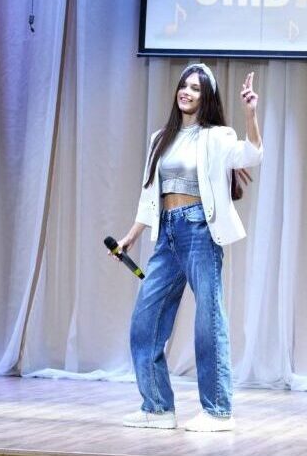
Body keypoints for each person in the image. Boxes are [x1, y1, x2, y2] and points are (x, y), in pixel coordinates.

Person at [112, 63, 262, 432]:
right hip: (167, 234)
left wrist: (250, 113)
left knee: (208, 321)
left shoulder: (218, 136)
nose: (187, 92)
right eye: (184, 86)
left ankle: (218, 411)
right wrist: (132, 235)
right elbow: (150, 194)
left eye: (196, 88)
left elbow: (252, 155)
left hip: (199, 231)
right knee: (145, 322)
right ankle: (157, 408)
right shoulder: (160, 138)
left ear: (205, 96)